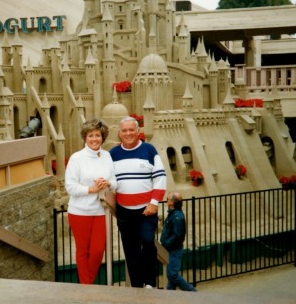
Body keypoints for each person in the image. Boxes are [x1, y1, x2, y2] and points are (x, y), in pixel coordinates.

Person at [109, 116, 166, 288]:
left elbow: (160, 178)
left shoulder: (149, 150)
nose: (128, 133)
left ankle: (150, 283)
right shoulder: (113, 154)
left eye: (131, 130)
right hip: (124, 211)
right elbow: (108, 179)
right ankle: (136, 288)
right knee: (131, 252)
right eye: (124, 130)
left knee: (148, 243)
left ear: (138, 131)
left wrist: (154, 203)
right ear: (119, 133)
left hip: (146, 210)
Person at [65, 118, 117, 284]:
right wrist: (91, 189)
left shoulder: (107, 156)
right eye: (91, 135)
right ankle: (87, 288)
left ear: (103, 137)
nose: (95, 139)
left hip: (100, 211)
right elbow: (70, 187)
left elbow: (115, 182)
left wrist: (107, 184)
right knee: (83, 251)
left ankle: (87, 285)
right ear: (85, 138)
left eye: (98, 135)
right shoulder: (76, 158)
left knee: (97, 251)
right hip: (79, 211)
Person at [160, 192, 197, 292]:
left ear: (172, 202)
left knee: (172, 274)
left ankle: (192, 291)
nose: (167, 200)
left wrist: (166, 243)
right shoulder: (173, 213)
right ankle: (170, 295)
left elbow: (177, 236)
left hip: (174, 249)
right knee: (171, 275)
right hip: (171, 249)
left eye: (168, 199)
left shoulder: (177, 216)